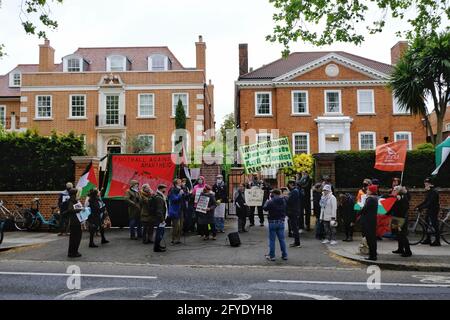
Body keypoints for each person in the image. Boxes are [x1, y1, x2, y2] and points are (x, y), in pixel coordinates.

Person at [263, 189, 288, 261]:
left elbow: (265, 208)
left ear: (273, 194)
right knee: (282, 239)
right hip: (281, 221)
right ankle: (284, 255)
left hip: (272, 222)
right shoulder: (283, 201)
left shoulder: (270, 201)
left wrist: (266, 202)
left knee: (272, 240)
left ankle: (272, 256)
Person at [416, 178, 441, 246]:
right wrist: (418, 206)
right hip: (429, 210)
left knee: (434, 225)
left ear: (430, 184)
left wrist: (421, 207)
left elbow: (430, 203)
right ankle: (428, 239)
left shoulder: (434, 192)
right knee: (426, 224)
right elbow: (425, 201)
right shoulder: (429, 191)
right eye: (425, 183)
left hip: (434, 210)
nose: (425, 184)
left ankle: (437, 241)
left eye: (426, 183)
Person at [390, 186, 412, 257]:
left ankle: (408, 251)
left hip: (401, 218)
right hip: (396, 218)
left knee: (402, 235)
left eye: (395, 189)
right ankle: (400, 249)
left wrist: (400, 224)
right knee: (398, 234)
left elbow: (403, 209)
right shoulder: (396, 197)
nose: (393, 190)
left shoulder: (403, 198)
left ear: (399, 191)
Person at [360, 184, 379, 261]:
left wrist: (359, 212)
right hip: (371, 221)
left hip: (369, 221)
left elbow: (365, 209)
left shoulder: (370, 199)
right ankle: (373, 255)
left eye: (368, 190)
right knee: (372, 239)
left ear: (371, 191)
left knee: (370, 239)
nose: (367, 191)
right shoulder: (374, 198)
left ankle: (372, 256)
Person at [65, 188, 83, 258]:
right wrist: (79, 210)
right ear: (74, 194)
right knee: (75, 237)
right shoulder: (72, 201)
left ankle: (73, 252)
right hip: (74, 222)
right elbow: (70, 209)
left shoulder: (74, 200)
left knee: (75, 237)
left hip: (75, 221)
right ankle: (73, 252)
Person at [286, 180, 302, 248]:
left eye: (288, 184)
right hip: (294, 211)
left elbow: (290, 201)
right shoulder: (295, 191)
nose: (288, 186)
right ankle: (296, 242)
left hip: (293, 211)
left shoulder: (294, 191)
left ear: (291, 184)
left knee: (294, 227)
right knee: (294, 227)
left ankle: (297, 242)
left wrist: (286, 198)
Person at [168, 179, 184, 245]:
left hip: (181, 210)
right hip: (175, 210)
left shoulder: (182, 189)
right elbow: (174, 199)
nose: (181, 183)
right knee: (176, 226)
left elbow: (185, 198)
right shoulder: (172, 190)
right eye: (180, 182)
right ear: (176, 183)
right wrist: (180, 194)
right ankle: (173, 239)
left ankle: (178, 239)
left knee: (181, 226)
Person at [153, 184, 168, 252]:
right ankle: (156, 248)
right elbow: (159, 210)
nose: (165, 190)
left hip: (161, 218)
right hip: (160, 219)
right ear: (161, 189)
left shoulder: (160, 196)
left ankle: (158, 245)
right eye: (164, 189)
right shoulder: (159, 198)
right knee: (159, 233)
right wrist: (162, 220)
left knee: (160, 233)